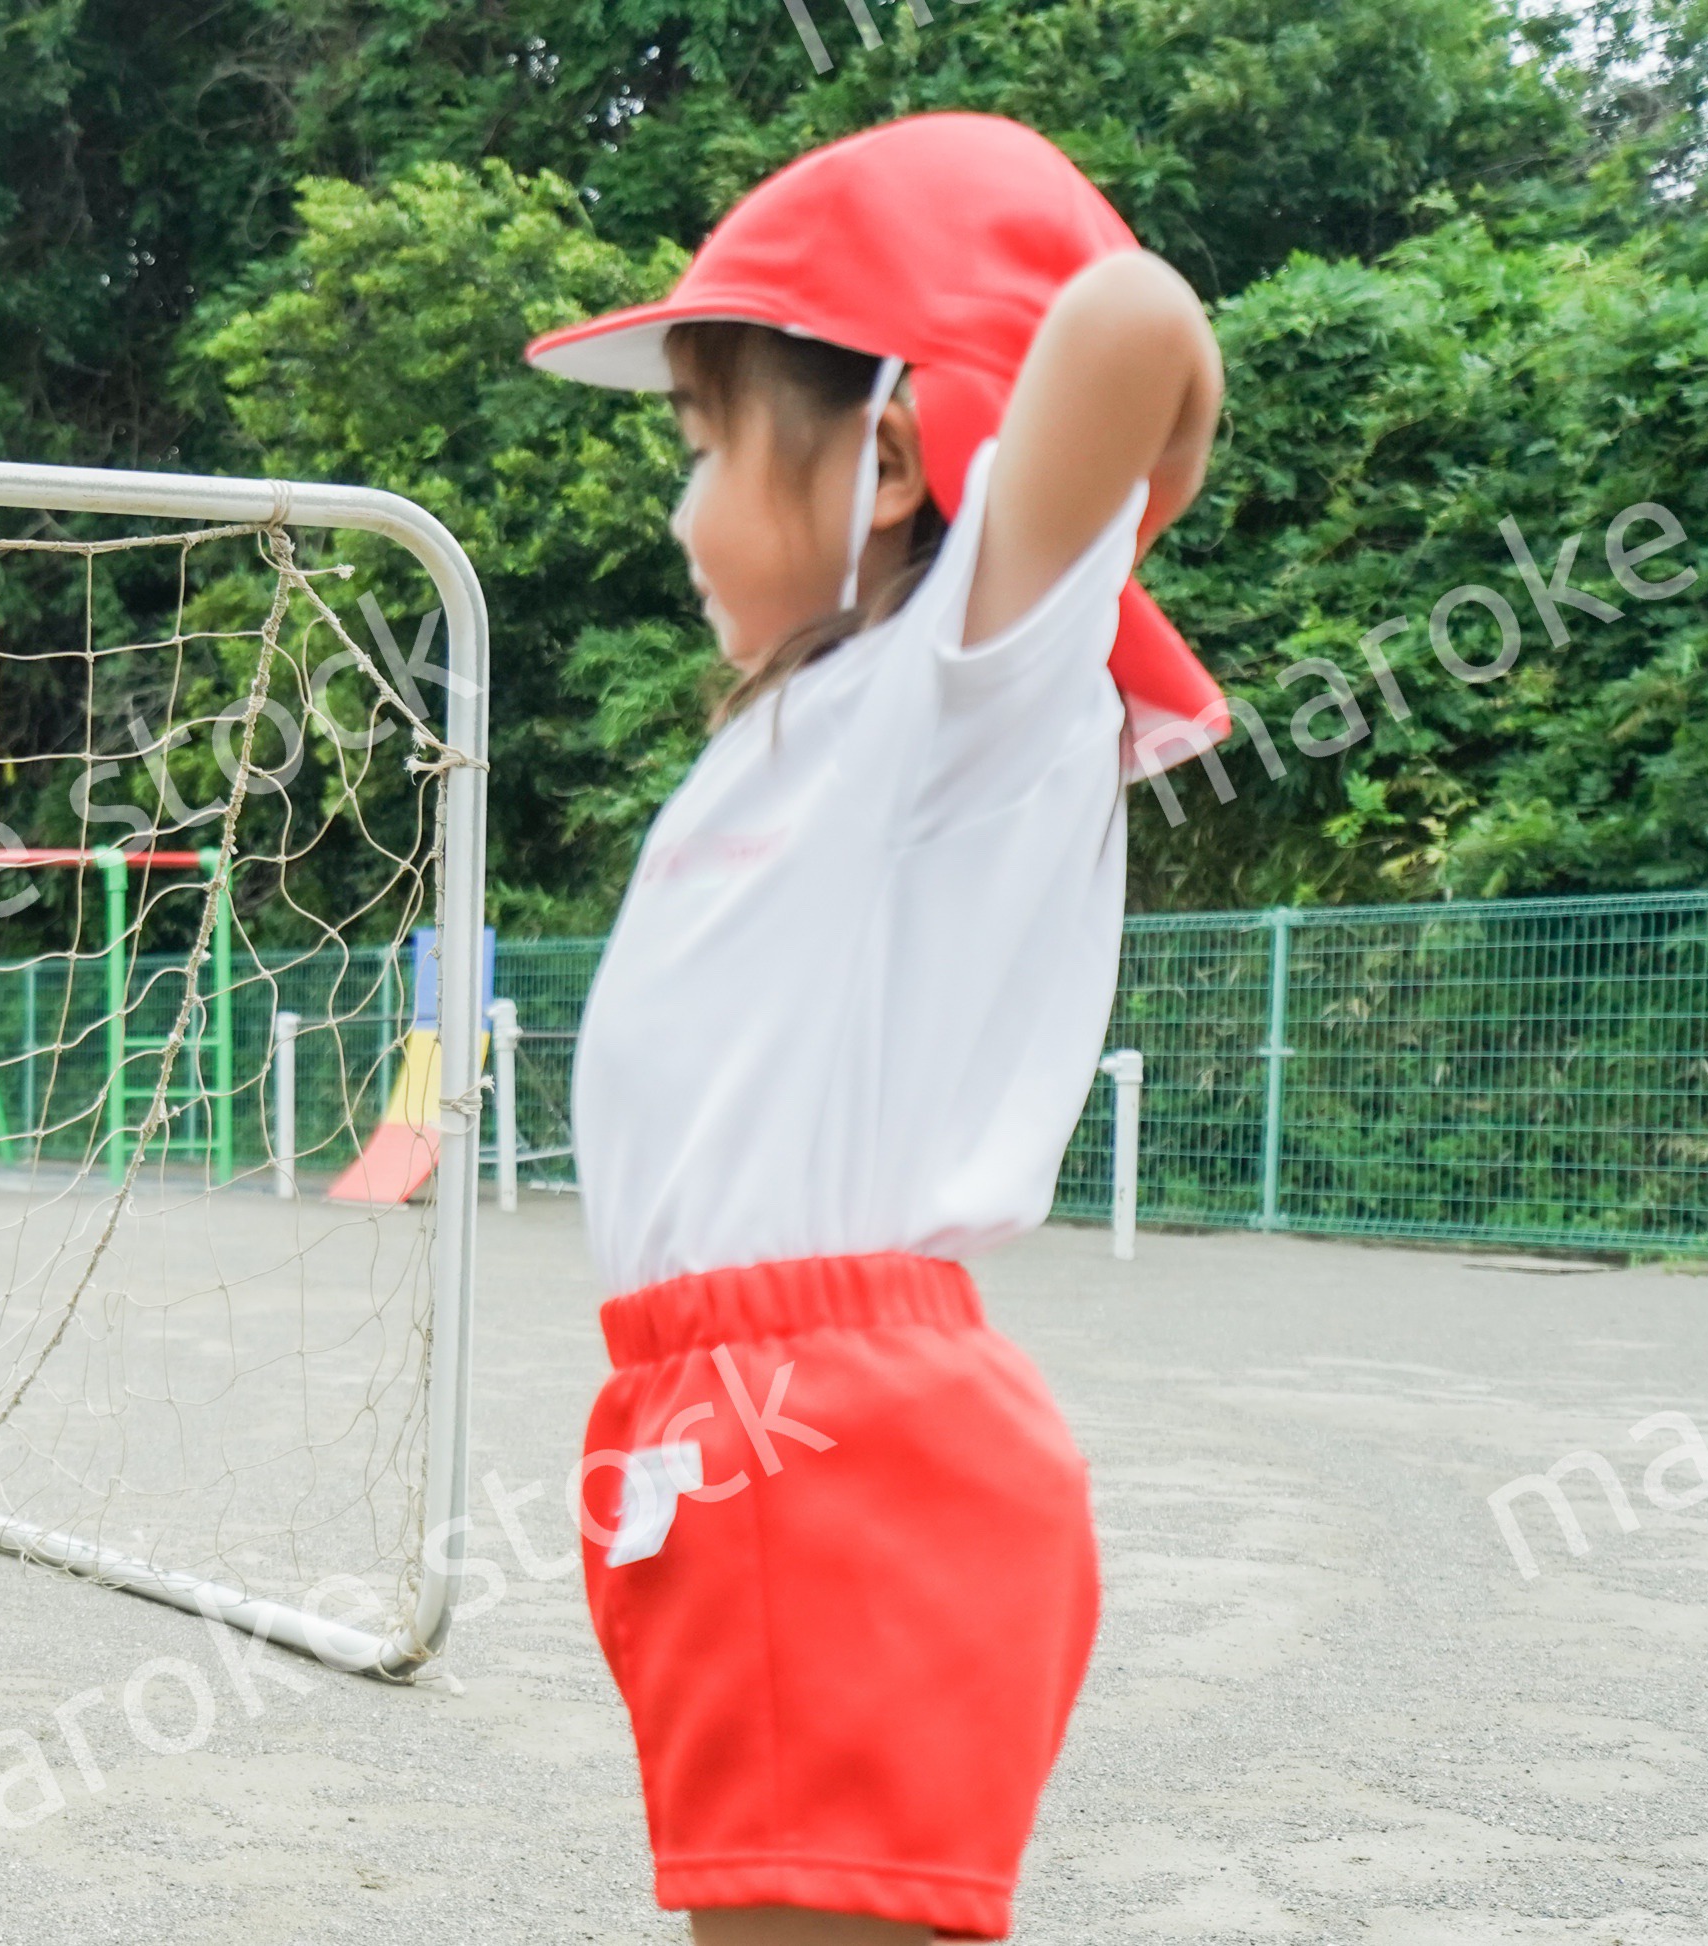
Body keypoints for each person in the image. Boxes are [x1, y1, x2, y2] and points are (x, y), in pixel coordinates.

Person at [519, 113, 1227, 1944]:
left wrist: (1159, 453)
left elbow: (1132, 314)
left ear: (895, 460)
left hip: (820, 1422)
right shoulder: (815, 720)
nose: (676, 514)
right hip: (724, 1414)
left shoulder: (960, 691)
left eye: (698, 451)